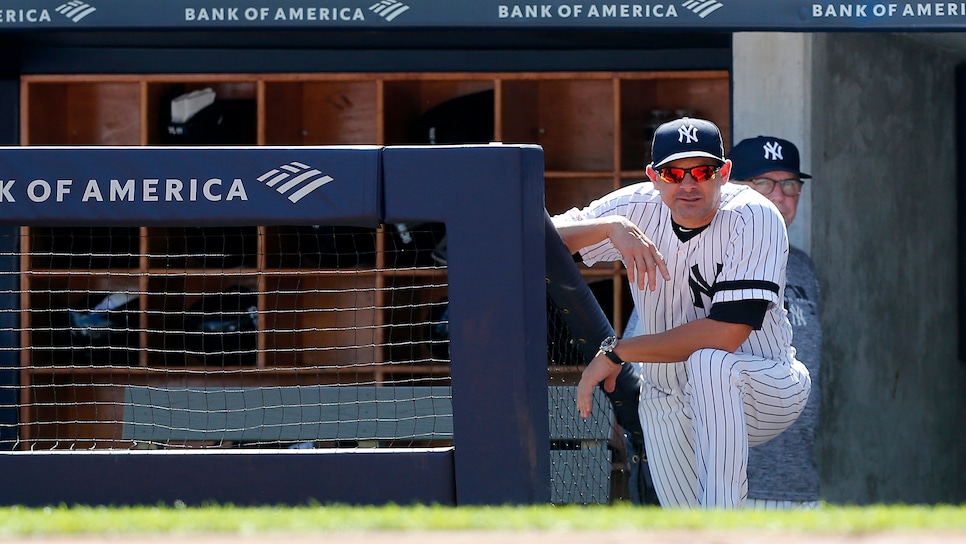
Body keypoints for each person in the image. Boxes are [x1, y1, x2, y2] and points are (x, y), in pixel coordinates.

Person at [552, 116, 811, 508]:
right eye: (673, 173)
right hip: (668, 397)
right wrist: (609, 228)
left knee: (710, 363)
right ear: (654, 177)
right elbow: (536, 240)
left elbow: (726, 335)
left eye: (702, 171)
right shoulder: (633, 208)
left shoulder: (754, 215)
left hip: (765, 384)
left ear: (724, 173)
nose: (688, 184)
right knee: (686, 525)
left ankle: (724, 525)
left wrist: (616, 352)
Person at [728, 135, 822, 509]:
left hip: (800, 480)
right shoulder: (705, 258)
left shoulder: (802, 265)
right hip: (728, 483)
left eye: (789, 184)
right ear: (733, 190)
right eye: (763, 183)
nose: (779, 197)